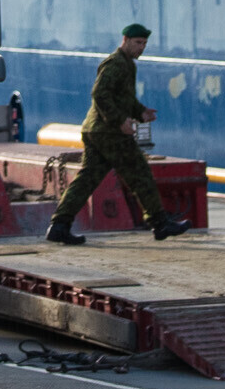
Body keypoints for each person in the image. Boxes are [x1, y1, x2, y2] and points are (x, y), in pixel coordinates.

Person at [46, 24, 191, 244]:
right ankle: (160, 223)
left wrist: (140, 112)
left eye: (144, 43)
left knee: (87, 180)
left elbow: (123, 98)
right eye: (138, 43)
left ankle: (59, 225)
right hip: (109, 132)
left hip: (96, 130)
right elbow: (99, 93)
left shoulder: (127, 64)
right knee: (139, 172)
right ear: (125, 40)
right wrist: (119, 120)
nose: (141, 48)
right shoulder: (116, 63)